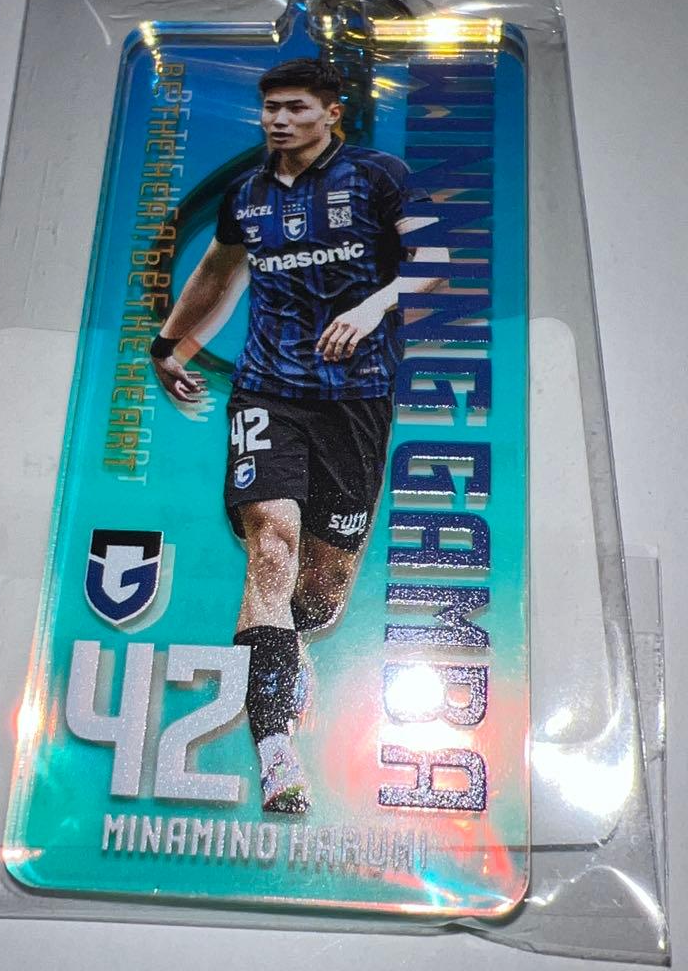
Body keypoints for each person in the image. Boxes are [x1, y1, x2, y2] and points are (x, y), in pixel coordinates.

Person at [151, 58, 445, 812]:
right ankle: (277, 751)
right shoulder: (247, 194)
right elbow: (217, 272)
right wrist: (170, 343)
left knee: (317, 597)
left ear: (331, 112)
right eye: (270, 109)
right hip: (268, 392)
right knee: (272, 544)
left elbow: (434, 264)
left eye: (295, 108)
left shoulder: (379, 178)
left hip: (357, 400)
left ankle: (286, 647)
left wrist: (376, 306)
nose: (279, 121)